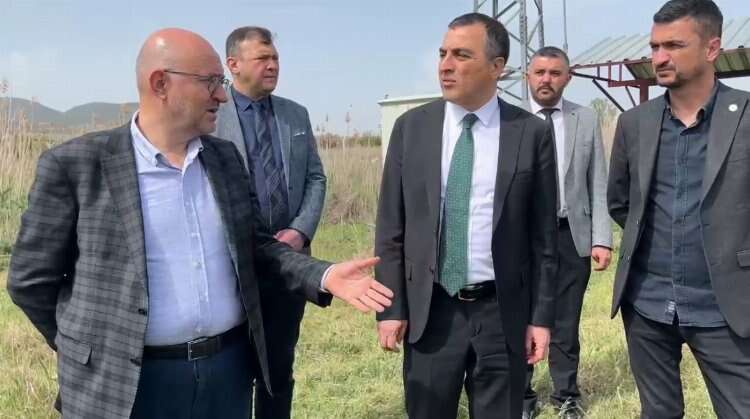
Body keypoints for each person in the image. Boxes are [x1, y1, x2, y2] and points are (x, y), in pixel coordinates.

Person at [6, 28, 392, 419]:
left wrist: (323, 275)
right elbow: (30, 281)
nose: (222, 96)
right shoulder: (77, 165)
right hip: (129, 388)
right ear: (161, 83)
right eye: (210, 82)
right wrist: (89, 350)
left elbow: (257, 246)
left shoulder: (223, 159)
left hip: (226, 376)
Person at [374, 12, 558, 419]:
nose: (445, 65)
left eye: (461, 55)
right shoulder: (411, 129)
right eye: (443, 54)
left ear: (496, 67)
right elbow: (390, 227)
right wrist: (391, 308)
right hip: (431, 311)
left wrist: (541, 319)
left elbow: (544, 238)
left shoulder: (530, 132)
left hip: (502, 313)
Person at [607, 1, 750, 417]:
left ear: (712, 48)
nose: (659, 57)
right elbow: (620, 202)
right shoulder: (634, 123)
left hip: (727, 307)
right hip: (647, 306)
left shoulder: (745, 117)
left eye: (673, 45)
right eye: (655, 46)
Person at [213, 26, 326, 419]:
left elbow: (315, 177)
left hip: (287, 264)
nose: (273, 65)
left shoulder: (296, 114)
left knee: (278, 368)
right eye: (263, 58)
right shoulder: (211, 115)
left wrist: (299, 231)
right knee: (229, 368)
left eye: (275, 57)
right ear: (233, 64)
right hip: (228, 266)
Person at [522, 46, 612, 419]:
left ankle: (566, 396)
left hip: (570, 234)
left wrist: (601, 237)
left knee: (566, 320)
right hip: (522, 238)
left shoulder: (585, 118)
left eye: (555, 73)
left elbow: (598, 181)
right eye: (540, 72)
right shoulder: (510, 118)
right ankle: (522, 395)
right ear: (527, 76)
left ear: (568, 77)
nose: (547, 79)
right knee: (520, 315)